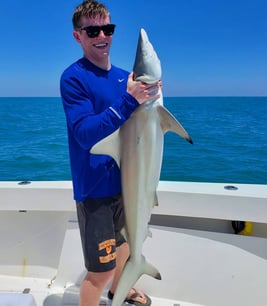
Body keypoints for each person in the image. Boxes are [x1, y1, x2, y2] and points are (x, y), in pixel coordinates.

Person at [60, 1, 161, 306]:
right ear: (78, 36)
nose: (102, 35)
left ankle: (122, 290)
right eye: (93, 30)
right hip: (95, 190)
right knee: (99, 272)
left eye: (108, 28)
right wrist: (130, 101)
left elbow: (138, 125)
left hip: (126, 184)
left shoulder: (125, 78)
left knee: (127, 246)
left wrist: (150, 101)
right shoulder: (74, 78)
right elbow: (85, 133)